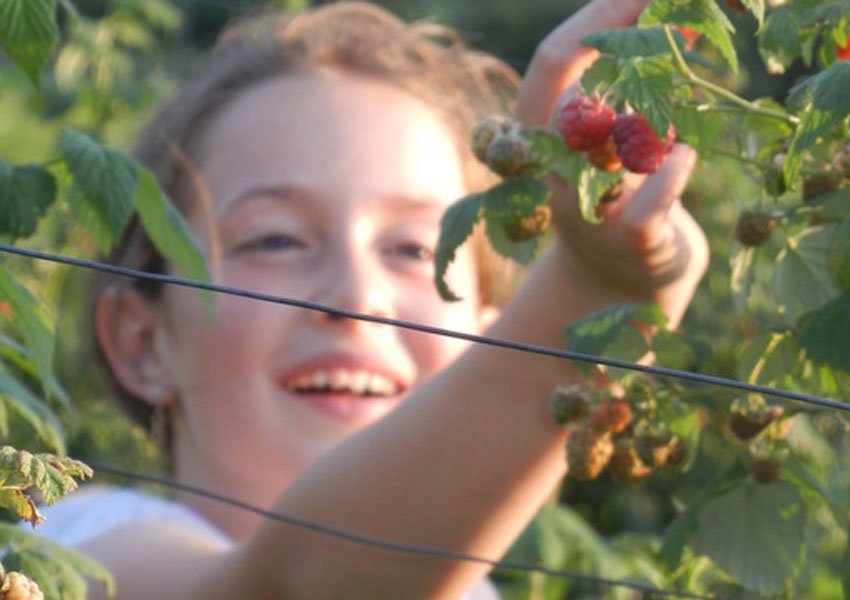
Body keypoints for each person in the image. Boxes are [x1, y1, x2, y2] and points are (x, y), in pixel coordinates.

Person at [35, 0, 709, 598]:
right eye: (275, 240)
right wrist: (591, 291)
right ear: (141, 339)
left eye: (417, 250)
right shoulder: (77, 551)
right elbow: (295, 588)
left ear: (487, 336)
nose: (359, 297)